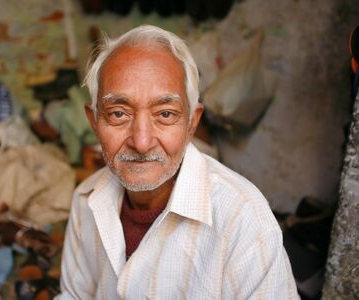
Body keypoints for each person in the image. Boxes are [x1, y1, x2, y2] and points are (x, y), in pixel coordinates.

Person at [56, 25, 299, 299]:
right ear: (94, 121)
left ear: (191, 124)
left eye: (166, 114)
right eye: (119, 113)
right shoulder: (86, 200)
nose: (142, 141)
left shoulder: (243, 219)